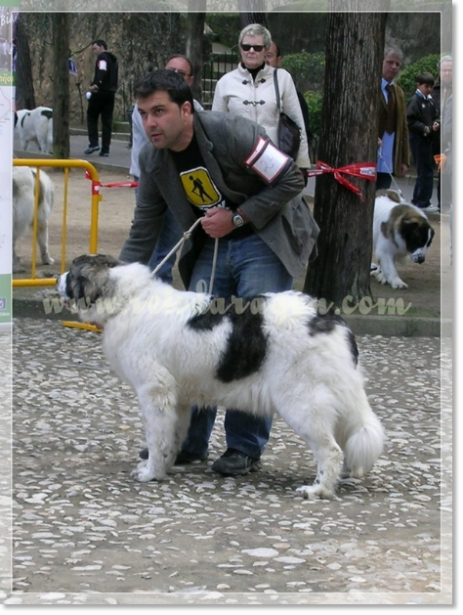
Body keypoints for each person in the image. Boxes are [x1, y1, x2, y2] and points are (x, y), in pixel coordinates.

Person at [119, 69, 319, 476]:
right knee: (191, 344)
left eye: (159, 111)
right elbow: (145, 227)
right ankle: (188, 444)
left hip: (264, 236)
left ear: (186, 109)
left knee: (253, 341)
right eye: (143, 113)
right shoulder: (152, 159)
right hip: (210, 247)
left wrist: (238, 218)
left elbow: (290, 178)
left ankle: (244, 448)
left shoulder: (232, 132)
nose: (150, 123)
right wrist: (118, 283)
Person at [130, 54, 203, 284]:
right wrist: (116, 288)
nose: (150, 122)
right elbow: (140, 235)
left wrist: (238, 218)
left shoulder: (211, 123)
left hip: (183, 188)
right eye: (169, 70)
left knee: (168, 249)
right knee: (151, 244)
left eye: (180, 74)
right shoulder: (146, 108)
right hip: (150, 180)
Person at [212, 24, 311, 178]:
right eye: (246, 47)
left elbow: (298, 123)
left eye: (257, 48)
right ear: (240, 48)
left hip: (275, 161)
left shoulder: (282, 78)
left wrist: (302, 164)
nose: (251, 51)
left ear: (265, 50)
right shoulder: (225, 82)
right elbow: (215, 129)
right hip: (238, 163)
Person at [265, 41, 314, 164]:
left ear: (278, 60)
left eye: (269, 56)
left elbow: (302, 131)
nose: (265, 60)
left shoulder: (293, 94)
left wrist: (301, 164)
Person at [406, 71, 440, 214]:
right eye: (426, 86)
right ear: (419, 85)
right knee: (424, 171)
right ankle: (422, 202)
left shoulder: (430, 100)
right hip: (418, 139)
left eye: (431, 86)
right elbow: (410, 120)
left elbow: (436, 115)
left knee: (426, 170)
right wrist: (425, 128)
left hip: (428, 139)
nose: (429, 89)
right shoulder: (415, 100)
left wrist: (436, 123)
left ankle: (418, 201)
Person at [376, 47, 410, 190]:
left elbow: (403, 127)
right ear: (381, 62)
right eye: (390, 62)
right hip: (371, 154)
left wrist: (404, 160)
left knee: (383, 196)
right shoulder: (371, 87)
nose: (394, 67)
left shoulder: (398, 93)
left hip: (389, 157)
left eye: (397, 64)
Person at [84, 39, 119, 157]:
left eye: (95, 48)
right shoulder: (114, 60)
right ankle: (105, 149)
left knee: (91, 115)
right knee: (106, 121)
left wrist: (97, 84)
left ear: (102, 47)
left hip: (100, 92)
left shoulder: (103, 57)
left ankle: (93, 143)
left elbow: (102, 70)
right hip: (111, 92)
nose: (94, 52)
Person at [431, 55, 452, 211]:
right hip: (435, 137)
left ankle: (448, 205)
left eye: (450, 70)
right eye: (444, 70)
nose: (447, 73)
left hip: (451, 138)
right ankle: (442, 206)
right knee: (440, 172)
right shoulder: (433, 90)